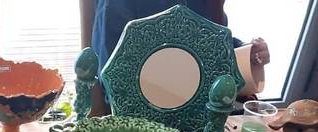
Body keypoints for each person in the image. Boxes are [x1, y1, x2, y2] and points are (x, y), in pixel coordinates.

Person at [81, 0, 270, 114]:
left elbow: (211, 39)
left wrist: (246, 54)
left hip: (201, 112)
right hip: (144, 117)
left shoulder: (210, 3)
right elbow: (114, 76)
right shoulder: (116, 4)